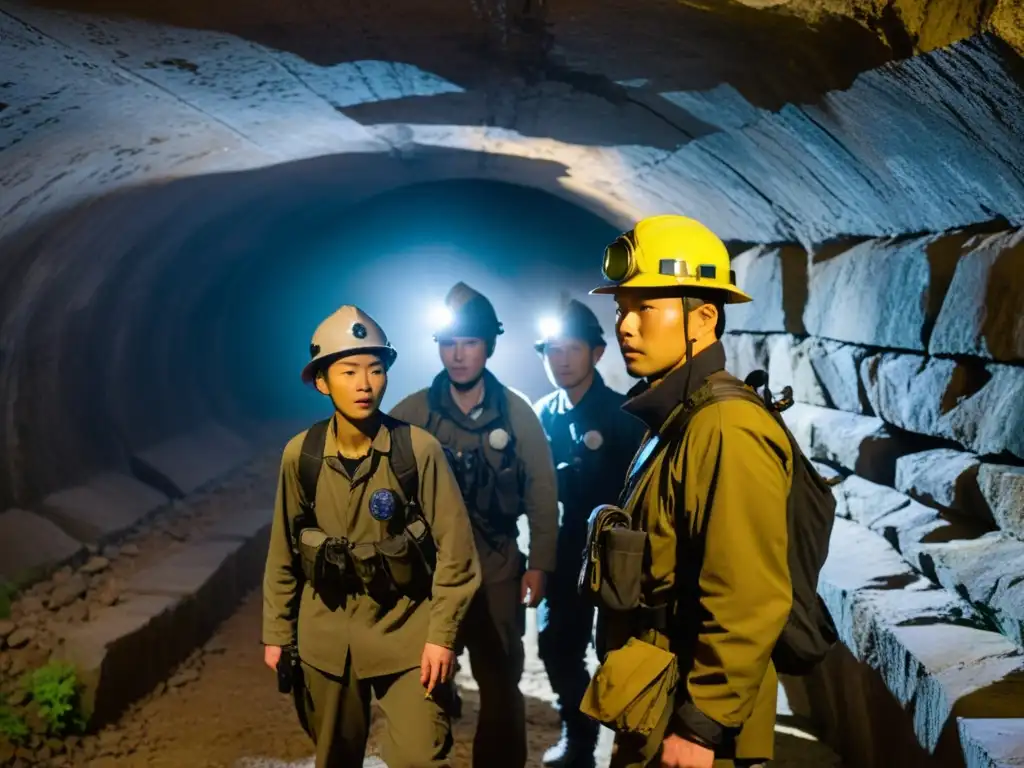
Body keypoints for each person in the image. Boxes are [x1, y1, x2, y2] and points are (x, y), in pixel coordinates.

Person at [583, 215, 793, 768]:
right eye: (622, 309)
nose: (625, 326)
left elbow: (748, 595)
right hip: (656, 692)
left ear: (702, 318)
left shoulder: (725, 427)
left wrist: (701, 726)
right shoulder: (679, 417)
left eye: (645, 308)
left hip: (691, 711)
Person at [261, 305, 482, 768]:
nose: (364, 384)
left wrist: (441, 638)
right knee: (334, 757)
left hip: (406, 633)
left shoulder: (416, 451)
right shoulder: (301, 456)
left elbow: (456, 553)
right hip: (326, 637)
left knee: (422, 757)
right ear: (322, 381)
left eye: (375, 369)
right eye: (348, 370)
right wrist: (277, 633)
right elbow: (283, 549)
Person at [390, 281, 559, 768]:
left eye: (468, 343)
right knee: (424, 679)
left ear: (488, 345)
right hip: (432, 573)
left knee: (501, 679)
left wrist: (540, 564)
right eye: (448, 344)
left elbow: (543, 494)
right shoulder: (415, 412)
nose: (458, 355)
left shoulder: (518, 414)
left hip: (497, 567)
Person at [532, 295, 646, 767]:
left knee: (621, 653)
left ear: (597, 354)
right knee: (556, 645)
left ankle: (633, 744)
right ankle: (579, 741)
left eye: (571, 349)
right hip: (565, 548)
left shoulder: (626, 415)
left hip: (618, 552)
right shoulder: (543, 414)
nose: (560, 360)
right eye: (551, 350)